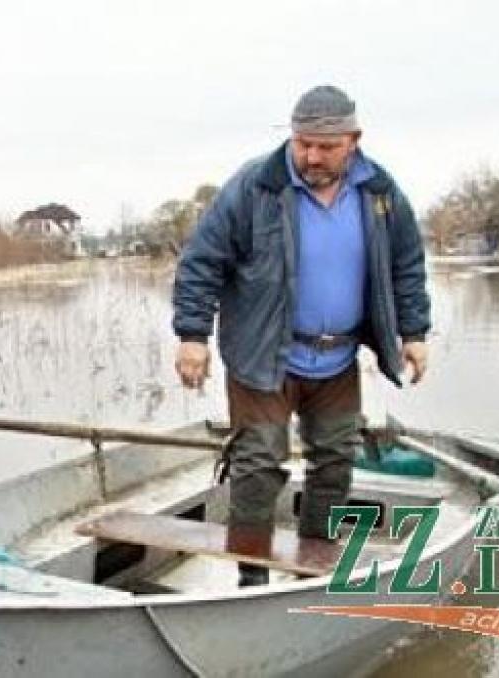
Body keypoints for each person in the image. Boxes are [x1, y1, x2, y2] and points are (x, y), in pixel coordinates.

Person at [172, 85, 431, 587]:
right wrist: (192, 335)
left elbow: (406, 264)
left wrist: (414, 330)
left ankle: (315, 567)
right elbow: (201, 262)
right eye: (302, 143)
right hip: (263, 355)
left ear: (353, 140)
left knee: (335, 461)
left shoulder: (379, 193)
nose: (311, 156)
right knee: (259, 463)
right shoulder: (255, 187)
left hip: (336, 359)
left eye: (325, 146)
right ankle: (251, 578)